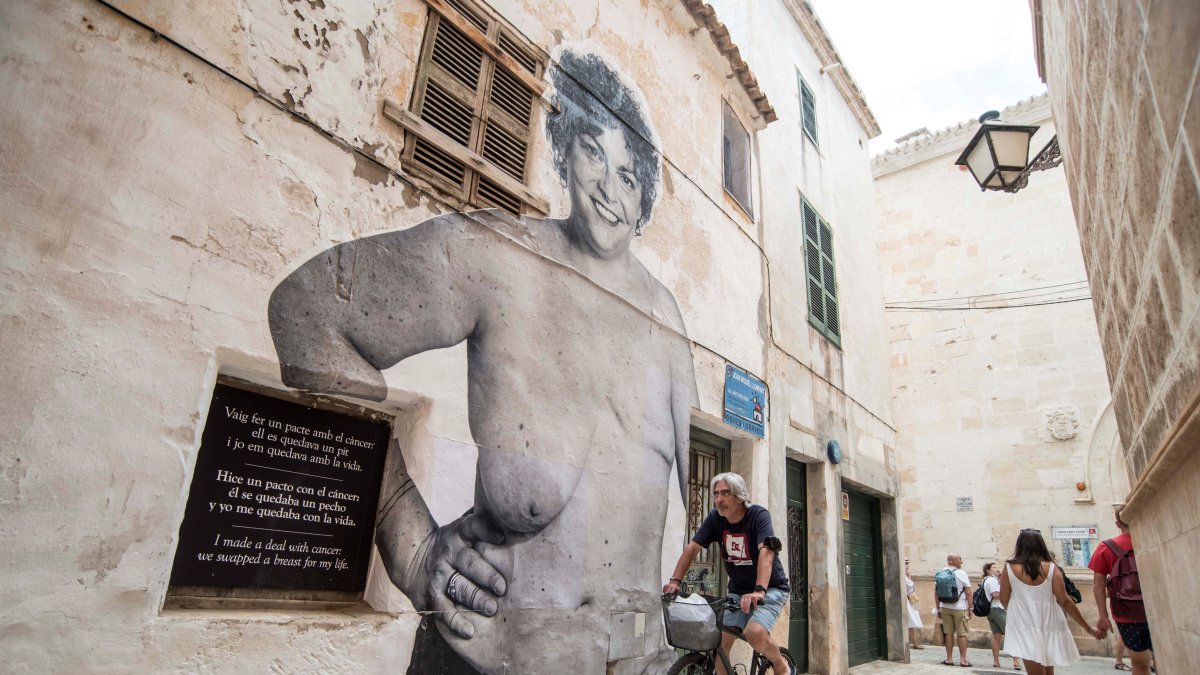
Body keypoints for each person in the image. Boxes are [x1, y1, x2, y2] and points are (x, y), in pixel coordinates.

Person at [269, 48, 695, 675]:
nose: (608, 186)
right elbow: (307, 313)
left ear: (646, 200)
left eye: (630, 175)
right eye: (593, 151)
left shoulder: (668, 323)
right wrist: (410, 546)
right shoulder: (499, 261)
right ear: (562, 150)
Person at [663, 473, 792, 675]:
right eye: (716, 494)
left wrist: (759, 591)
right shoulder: (716, 518)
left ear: (739, 496)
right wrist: (675, 581)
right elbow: (692, 549)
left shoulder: (758, 515)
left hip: (770, 587)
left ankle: (780, 663)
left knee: (754, 633)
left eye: (725, 493)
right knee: (721, 645)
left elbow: (766, 552)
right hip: (738, 590)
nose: (719, 499)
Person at [999, 529, 1104, 675]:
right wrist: (1088, 629)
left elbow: (1003, 598)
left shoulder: (1010, 567)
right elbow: (1065, 600)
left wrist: (1018, 608)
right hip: (1049, 622)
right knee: (1048, 672)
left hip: (1024, 623)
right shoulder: (1052, 568)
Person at [1089, 506, 1154, 675]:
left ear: (1117, 523)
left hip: (1127, 614)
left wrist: (1103, 617)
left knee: (1140, 666)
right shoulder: (1153, 539)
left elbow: (1098, 585)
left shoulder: (1106, 548)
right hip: (1158, 610)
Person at [934, 554, 973, 667]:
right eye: (960, 559)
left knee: (948, 633)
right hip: (959, 607)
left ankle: (949, 659)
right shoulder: (961, 573)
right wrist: (971, 608)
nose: (962, 561)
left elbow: (936, 593)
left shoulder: (940, 573)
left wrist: (938, 609)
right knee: (962, 634)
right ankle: (963, 660)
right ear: (955, 561)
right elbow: (969, 592)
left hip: (944, 607)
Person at [982, 562, 1021, 670]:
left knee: (996, 636)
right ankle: (1016, 661)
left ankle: (996, 661)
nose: (996, 569)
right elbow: (995, 594)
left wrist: (1000, 577)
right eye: (993, 567)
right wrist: (1007, 594)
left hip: (991, 611)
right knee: (1011, 634)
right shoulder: (992, 580)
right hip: (998, 609)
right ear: (987, 570)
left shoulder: (986, 580)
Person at [904, 558, 924, 650]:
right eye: (905, 563)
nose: (907, 565)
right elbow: (909, 587)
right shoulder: (904, 575)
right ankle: (913, 643)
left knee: (911, 622)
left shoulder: (904, 575)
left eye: (908, 562)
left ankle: (914, 642)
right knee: (911, 622)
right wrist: (909, 576)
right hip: (905, 601)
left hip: (908, 601)